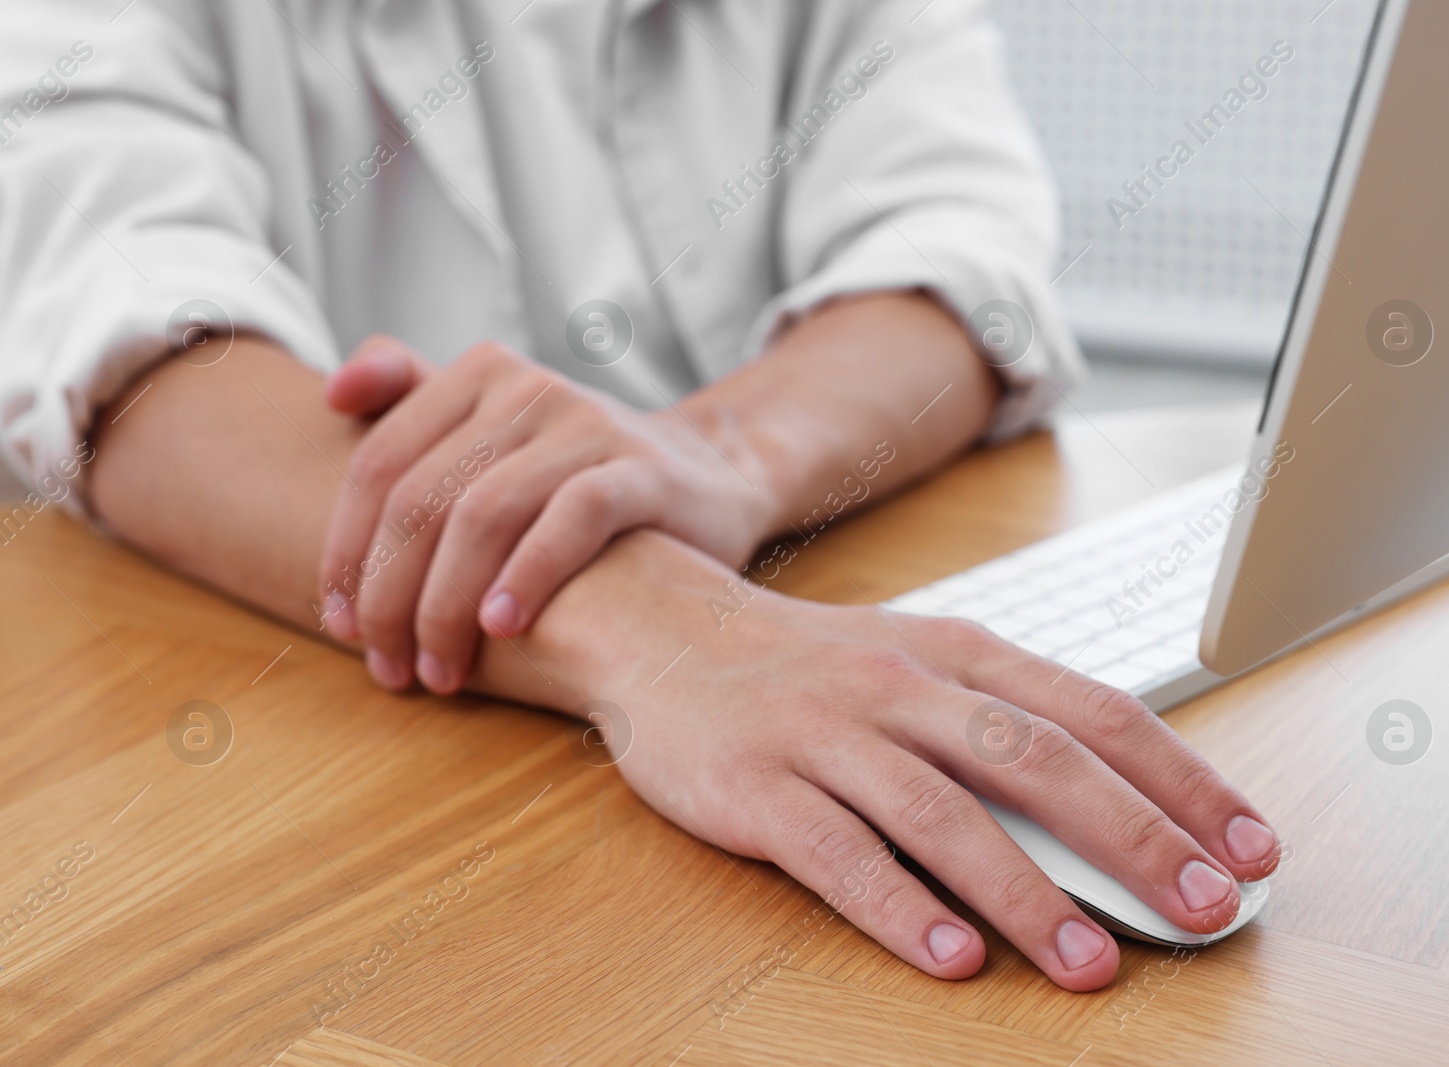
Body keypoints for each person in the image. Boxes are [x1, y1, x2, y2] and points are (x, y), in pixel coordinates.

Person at [0, 0, 1279, 992]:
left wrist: (714, 455)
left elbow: (957, 268)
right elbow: (131, 356)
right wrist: (659, 624)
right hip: (281, 805)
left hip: (719, 709)